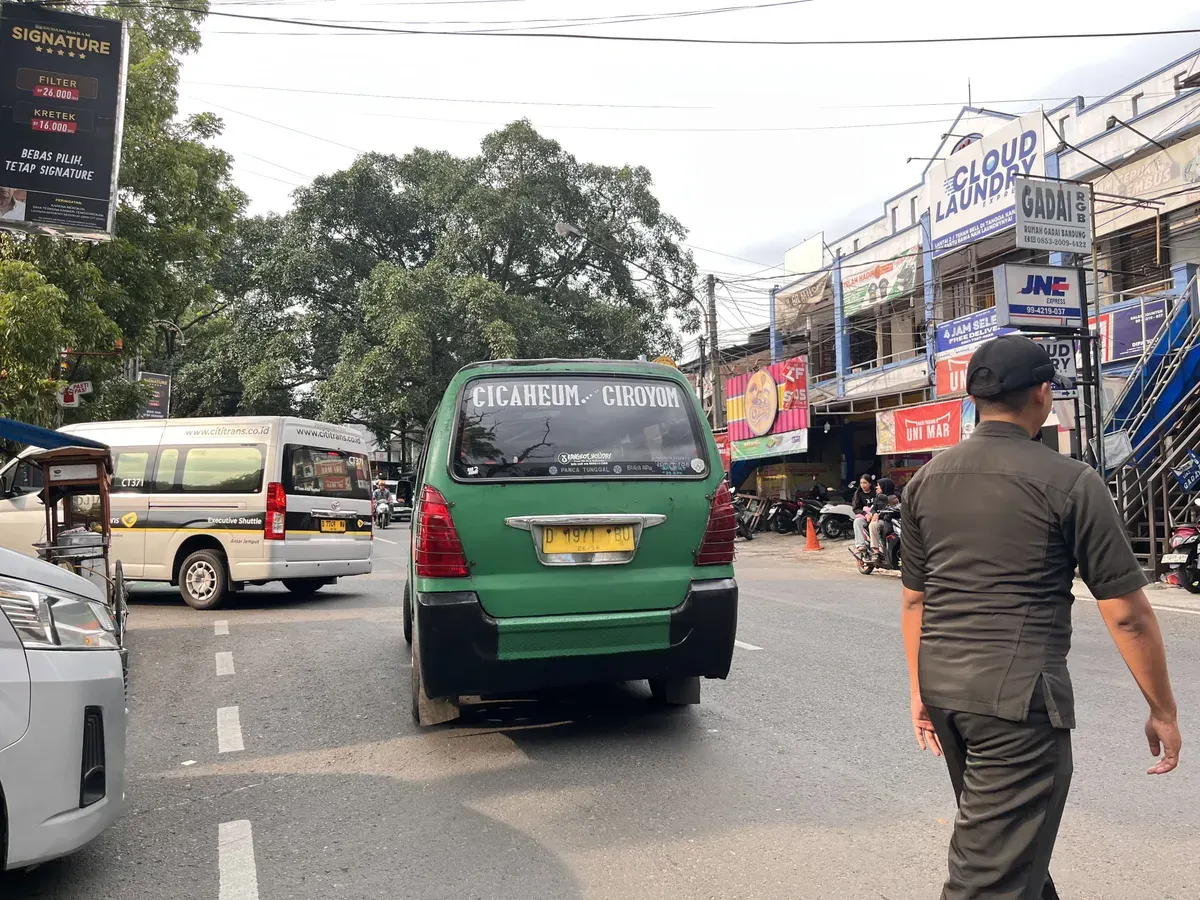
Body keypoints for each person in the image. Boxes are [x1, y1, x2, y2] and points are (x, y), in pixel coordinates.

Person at [900, 335, 1181, 900]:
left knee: (1011, 851)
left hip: (946, 693)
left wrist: (919, 693)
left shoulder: (925, 480)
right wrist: (1163, 710)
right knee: (989, 878)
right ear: (1043, 394)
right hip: (1017, 705)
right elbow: (1127, 615)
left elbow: (914, 601)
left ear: (973, 399)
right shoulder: (1071, 482)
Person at [868, 477, 897, 559]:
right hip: (883, 521)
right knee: (873, 525)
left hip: (894, 520)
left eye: (878, 485)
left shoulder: (895, 497)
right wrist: (875, 514)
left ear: (885, 486)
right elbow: (873, 509)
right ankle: (876, 552)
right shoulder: (878, 498)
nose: (876, 487)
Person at [850, 474, 874, 549]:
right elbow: (856, 508)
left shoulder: (875, 492)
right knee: (857, 522)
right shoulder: (858, 494)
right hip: (865, 517)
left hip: (876, 516)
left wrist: (873, 514)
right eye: (861, 483)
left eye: (865, 483)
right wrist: (865, 514)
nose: (863, 485)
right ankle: (860, 544)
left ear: (870, 483)